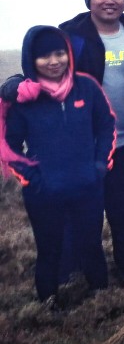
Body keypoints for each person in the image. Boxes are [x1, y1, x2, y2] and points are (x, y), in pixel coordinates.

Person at [1, 26, 115, 303]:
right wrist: (33, 179)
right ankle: (48, 303)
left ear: (68, 54)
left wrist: (99, 165)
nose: (54, 61)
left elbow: (106, 124)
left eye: (59, 53)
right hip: (44, 194)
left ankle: (102, 298)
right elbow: (9, 146)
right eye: (44, 56)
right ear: (31, 59)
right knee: (49, 249)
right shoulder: (24, 98)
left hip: (88, 187)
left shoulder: (86, 86)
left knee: (91, 245)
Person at [60, 0, 124, 282]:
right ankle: (84, 276)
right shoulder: (70, 37)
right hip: (86, 148)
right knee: (83, 214)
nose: (109, 0)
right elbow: (44, 72)